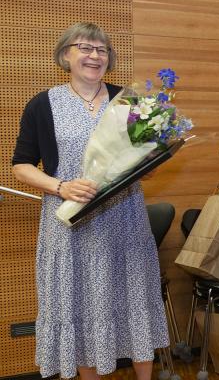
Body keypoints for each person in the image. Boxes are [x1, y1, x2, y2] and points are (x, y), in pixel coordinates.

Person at [11, 22, 169, 379]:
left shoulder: (131, 102)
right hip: (71, 227)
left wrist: (147, 165)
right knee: (79, 306)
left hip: (125, 224)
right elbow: (21, 166)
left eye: (101, 50)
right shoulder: (42, 104)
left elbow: (150, 167)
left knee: (134, 303)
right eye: (85, 48)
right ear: (66, 54)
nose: (94, 56)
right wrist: (60, 185)